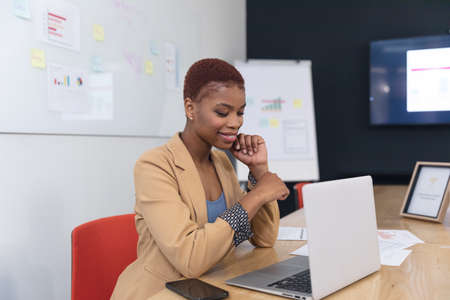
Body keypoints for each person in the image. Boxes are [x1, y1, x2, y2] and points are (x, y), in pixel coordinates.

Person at [111, 58, 289, 299]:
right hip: (162, 292)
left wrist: (259, 170)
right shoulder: (154, 165)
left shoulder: (222, 162)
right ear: (190, 108)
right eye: (222, 112)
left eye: (240, 112)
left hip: (214, 285)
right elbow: (190, 259)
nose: (235, 122)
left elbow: (265, 238)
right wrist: (258, 194)